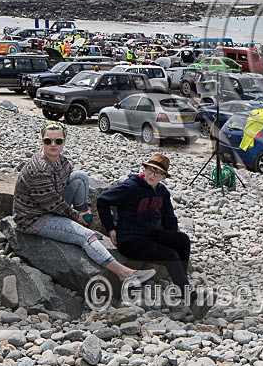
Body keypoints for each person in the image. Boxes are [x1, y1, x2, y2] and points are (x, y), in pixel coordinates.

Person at [13, 122, 155, 284]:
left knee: (80, 177)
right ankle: (124, 274)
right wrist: (76, 217)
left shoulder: (61, 161)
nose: (53, 145)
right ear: (42, 141)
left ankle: (83, 222)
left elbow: (68, 182)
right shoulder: (39, 169)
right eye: (48, 141)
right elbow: (52, 205)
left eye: (58, 141)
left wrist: (84, 209)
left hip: (48, 206)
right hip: (34, 218)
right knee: (85, 236)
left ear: (64, 142)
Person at [97, 154, 213, 319]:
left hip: (150, 235)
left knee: (182, 241)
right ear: (144, 169)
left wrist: (173, 238)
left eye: (158, 173)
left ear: (164, 177)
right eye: (150, 170)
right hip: (129, 239)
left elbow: (169, 218)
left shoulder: (162, 192)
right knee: (169, 255)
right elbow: (102, 200)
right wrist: (111, 229)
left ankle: (181, 283)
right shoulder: (131, 187)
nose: (152, 175)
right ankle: (192, 300)